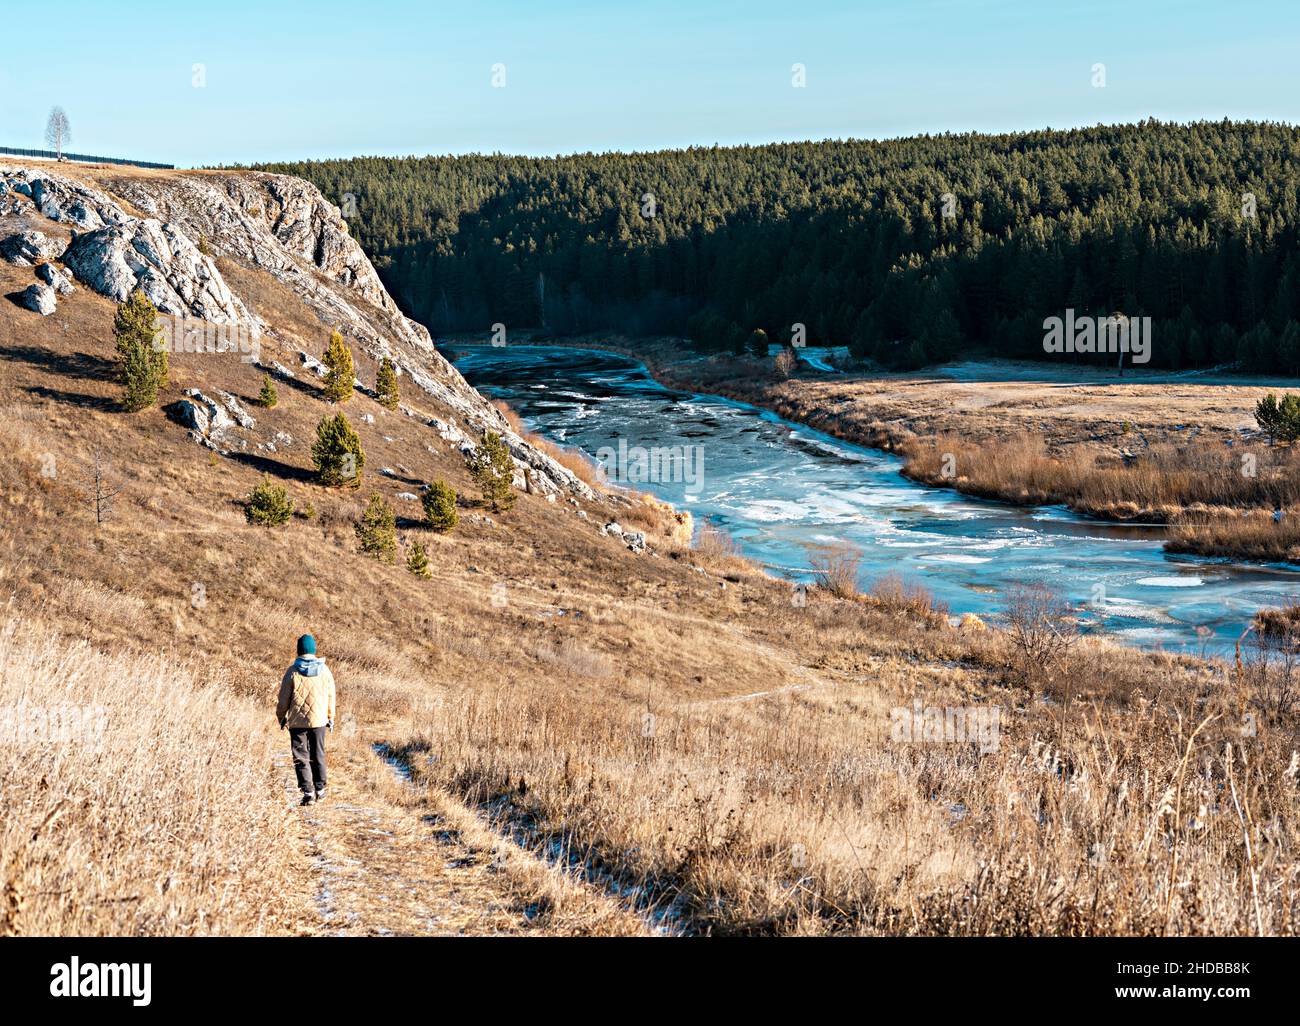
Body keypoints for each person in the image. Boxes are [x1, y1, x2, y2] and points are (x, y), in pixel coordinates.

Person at [276, 634, 336, 806]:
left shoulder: (292, 671)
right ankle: (320, 789)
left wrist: (281, 716)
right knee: (318, 754)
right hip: (319, 721)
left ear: (299, 650)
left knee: (301, 756)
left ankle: (308, 793)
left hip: (297, 723)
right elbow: (331, 696)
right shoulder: (325, 671)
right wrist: (330, 717)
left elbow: (283, 699)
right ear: (313, 650)